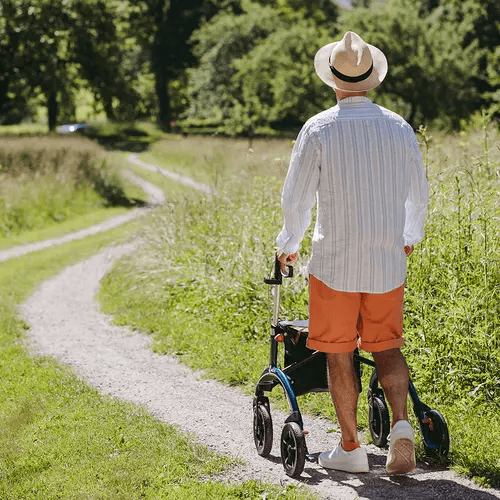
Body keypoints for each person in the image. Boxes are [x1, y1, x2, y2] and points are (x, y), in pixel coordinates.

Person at [275, 31, 429, 475]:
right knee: (387, 347)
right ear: (371, 78)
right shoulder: (398, 126)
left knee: (340, 352)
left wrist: (288, 243)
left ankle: (350, 448)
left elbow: (297, 198)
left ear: (334, 80)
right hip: (386, 262)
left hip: (334, 265)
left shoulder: (319, 128)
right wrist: (408, 234)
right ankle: (401, 427)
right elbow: (417, 193)